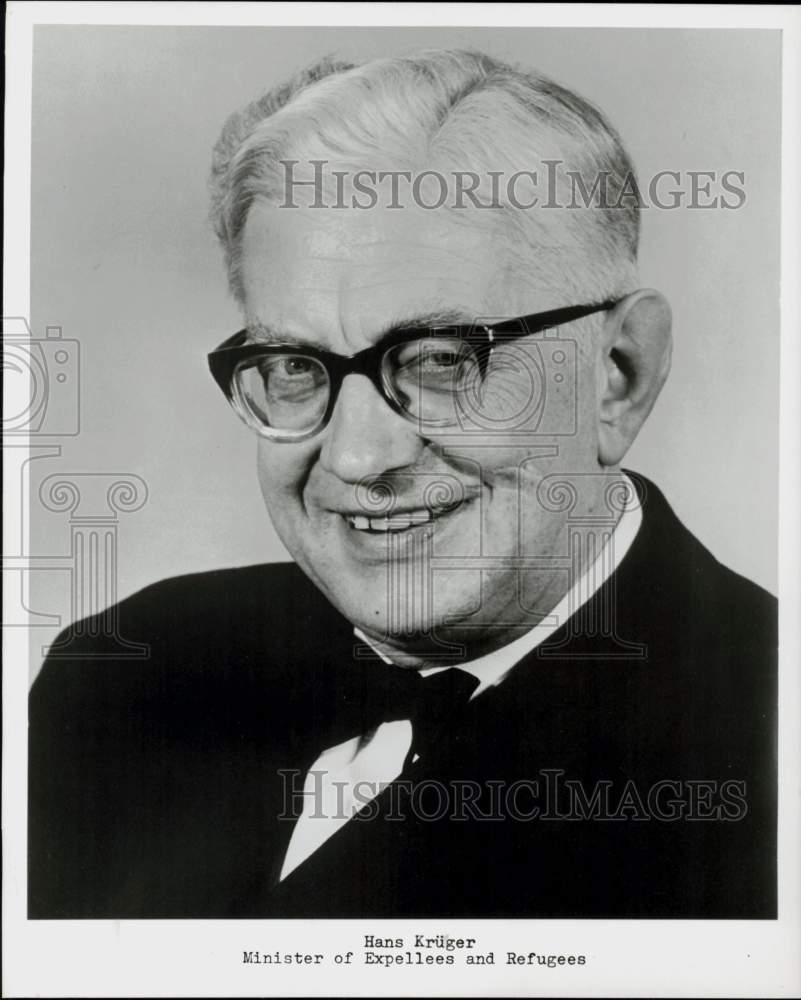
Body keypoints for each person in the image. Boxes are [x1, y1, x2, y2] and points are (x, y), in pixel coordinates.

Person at [28, 49, 776, 919]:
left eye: (441, 360)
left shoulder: (764, 735)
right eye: (295, 364)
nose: (355, 458)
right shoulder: (126, 671)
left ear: (617, 374)